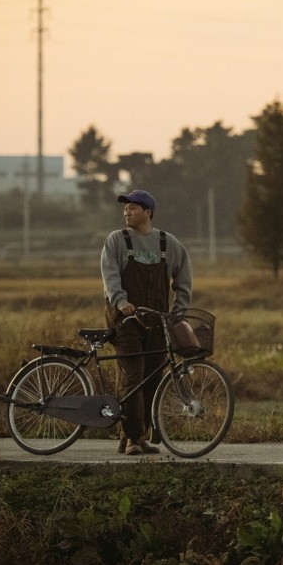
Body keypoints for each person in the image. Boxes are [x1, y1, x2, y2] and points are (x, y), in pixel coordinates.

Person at [101, 189, 192, 455]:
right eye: (125, 208)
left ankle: (129, 436)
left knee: (153, 377)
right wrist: (120, 301)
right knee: (133, 376)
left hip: (157, 321)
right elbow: (110, 276)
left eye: (133, 208)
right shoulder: (116, 241)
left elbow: (184, 279)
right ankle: (133, 439)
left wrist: (179, 310)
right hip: (125, 320)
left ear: (148, 212)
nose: (127, 212)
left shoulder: (168, 243)